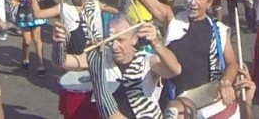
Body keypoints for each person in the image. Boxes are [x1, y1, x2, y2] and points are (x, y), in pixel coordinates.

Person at [53, 15, 182, 118]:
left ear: (134, 39)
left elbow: (174, 70)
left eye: (120, 40)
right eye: (111, 40)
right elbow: (61, 62)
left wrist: (156, 43)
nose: (114, 46)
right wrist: (59, 44)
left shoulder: (146, 61)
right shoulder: (102, 56)